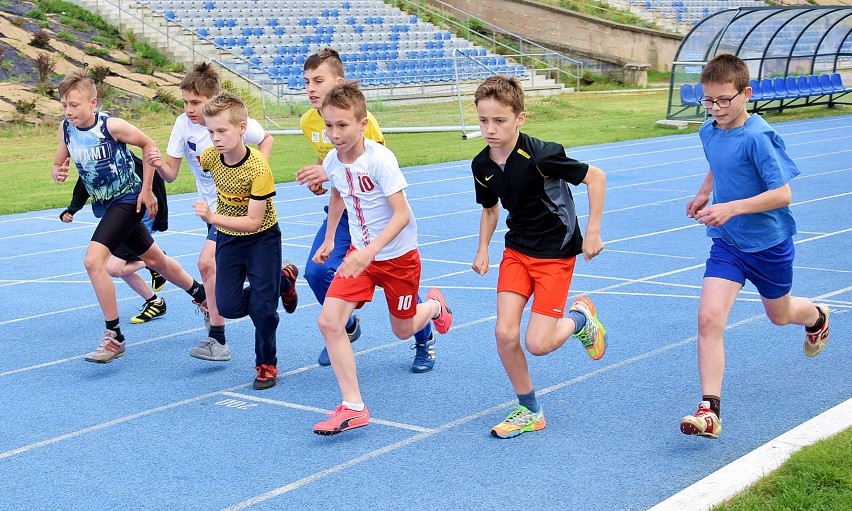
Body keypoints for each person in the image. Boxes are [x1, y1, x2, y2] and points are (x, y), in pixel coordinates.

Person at [680, 54, 830, 439]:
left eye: (723, 100)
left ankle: (815, 316)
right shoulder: (709, 130)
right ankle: (710, 409)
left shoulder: (759, 136)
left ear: (746, 94)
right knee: (708, 319)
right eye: (708, 100)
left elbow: (783, 193)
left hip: (769, 245)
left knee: (779, 316)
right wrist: (704, 192)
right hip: (727, 244)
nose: (715, 109)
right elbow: (718, 159)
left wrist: (730, 207)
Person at [470, 75, 608, 439]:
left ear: (520, 118)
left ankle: (580, 320)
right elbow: (490, 209)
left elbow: (597, 178)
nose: (490, 128)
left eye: (499, 120)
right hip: (517, 251)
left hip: (555, 255)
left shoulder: (543, 154)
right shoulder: (481, 165)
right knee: (504, 333)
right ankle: (529, 409)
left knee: (539, 344)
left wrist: (592, 232)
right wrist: (483, 248)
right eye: (483, 120)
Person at [311, 82, 453, 435]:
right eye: (328, 125)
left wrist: (372, 250)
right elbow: (338, 195)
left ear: (362, 124)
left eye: (342, 125)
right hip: (360, 255)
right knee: (329, 322)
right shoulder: (332, 159)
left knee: (403, 331)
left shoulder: (380, 160)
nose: (334, 133)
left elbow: (402, 214)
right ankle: (353, 407)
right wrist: (331, 239)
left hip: (397, 258)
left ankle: (435, 307)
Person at [295, 48, 437, 372]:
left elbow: (370, 175)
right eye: (306, 82)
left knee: (400, 318)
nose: (311, 88)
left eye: (319, 80)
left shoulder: (366, 129)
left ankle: (423, 329)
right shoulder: (309, 122)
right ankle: (343, 331)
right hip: (349, 219)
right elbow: (334, 171)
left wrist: (371, 248)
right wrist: (323, 181)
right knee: (318, 275)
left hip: (379, 222)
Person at [51, 70, 207, 363]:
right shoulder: (66, 129)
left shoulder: (111, 126)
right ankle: (201, 295)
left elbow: (149, 145)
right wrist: (58, 172)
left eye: (74, 104)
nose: (69, 111)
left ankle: (114, 336)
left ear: (93, 102)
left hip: (127, 199)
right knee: (156, 260)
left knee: (92, 261)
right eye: (64, 105)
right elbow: (60, 161)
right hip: (106, 205)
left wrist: (147, 190)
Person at [145, 62, 297, 363]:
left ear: (212, 102)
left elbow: (266, 138)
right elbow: (172, 174)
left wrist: (257, 167)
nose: (189, 109)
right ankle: (281, 281)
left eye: (196, 103)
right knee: (222, 281)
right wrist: (157, 163)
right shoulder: (183, 125)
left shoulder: (232, 123)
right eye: (185, 102)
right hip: (214, 211)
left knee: (205, 264)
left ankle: (218, 339)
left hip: (236, 212)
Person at [190, 91, 286, 390]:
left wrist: (212, 217)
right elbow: (202, 164)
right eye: (210, 131)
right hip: (230, 241)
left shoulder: (259, 168)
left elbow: (253, 221)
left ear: (242, 128)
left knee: (262, 309)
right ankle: (283, 282)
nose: (215, 138)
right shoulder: (210, 157)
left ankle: (266, 364)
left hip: (261, 238)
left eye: (222, 131)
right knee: (229, 307)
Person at [60, 152, 169, 324]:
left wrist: (161, 212)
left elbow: (155, 177)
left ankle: (154, 260)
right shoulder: (94, 158)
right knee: (117, 265)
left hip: (139, 214)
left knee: (113, 268)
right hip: (120, 215)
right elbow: (84, 184)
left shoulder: (120, 156)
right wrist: (72, 209)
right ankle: (155, 302)